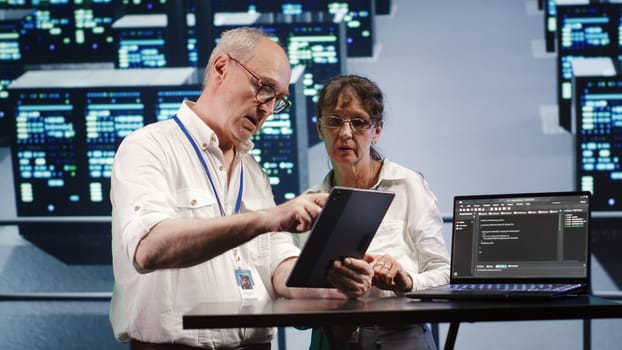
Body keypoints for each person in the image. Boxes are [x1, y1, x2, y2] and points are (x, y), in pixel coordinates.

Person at [109, 27, 374, 350]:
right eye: (263, 88)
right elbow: (149, 248)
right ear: (222, 68)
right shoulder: (149, 147)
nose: (266, 109)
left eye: (277, 100)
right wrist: (268, 218)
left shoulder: (254, 173)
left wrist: (329, 280)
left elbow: (280, 270)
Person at [295, 75, 451, 349]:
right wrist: (327, 295)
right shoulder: (307, 205)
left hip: (402, 336)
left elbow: (444, 273)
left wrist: (406, 281)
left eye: (358, 122)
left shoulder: (408, 185)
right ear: (320, 128)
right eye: (334, 121)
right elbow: (292, 306)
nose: (345, 133)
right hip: (330, 340)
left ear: (376, 130)